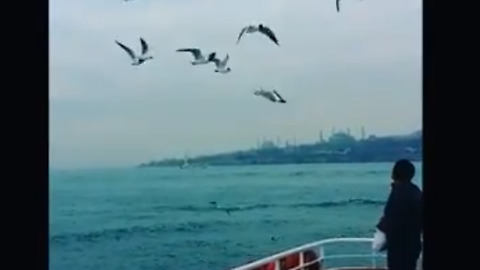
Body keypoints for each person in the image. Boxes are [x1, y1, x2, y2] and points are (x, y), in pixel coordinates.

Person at [376, 159, 423, 270]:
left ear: (394, 174)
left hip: (398, 248)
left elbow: (392, 221)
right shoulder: (416, 192)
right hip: (413, 246)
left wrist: (382, 228)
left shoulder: (398, 194)